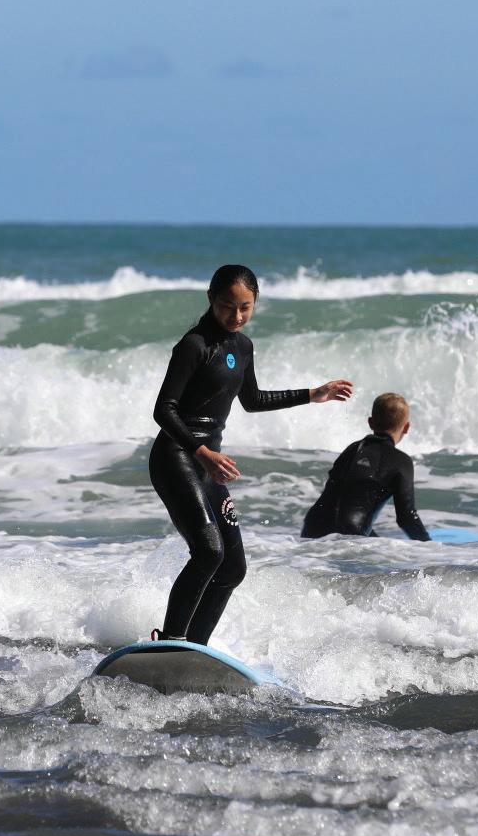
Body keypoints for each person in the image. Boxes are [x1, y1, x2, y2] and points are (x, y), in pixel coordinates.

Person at [149, 264, 353, 645]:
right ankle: (171, 641)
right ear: (211, 299)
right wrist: (202, 451)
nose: (237, 315)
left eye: (245, 307)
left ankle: (194, 648)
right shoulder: (194, 346)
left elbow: (253, 400)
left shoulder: (243, 348)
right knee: (209, 552)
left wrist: (312, 394)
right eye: (228, 306)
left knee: (233, 568)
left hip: (207, 464)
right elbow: (164, 410)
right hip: (176, 456)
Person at [301, 391, 430, 541]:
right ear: (406, 427)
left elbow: (342, 507)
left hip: (312, 526)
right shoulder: (402, 461)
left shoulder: (352, 450)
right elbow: (406, 518)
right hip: (349, 534)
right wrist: (431, 549)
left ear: (370, 422)